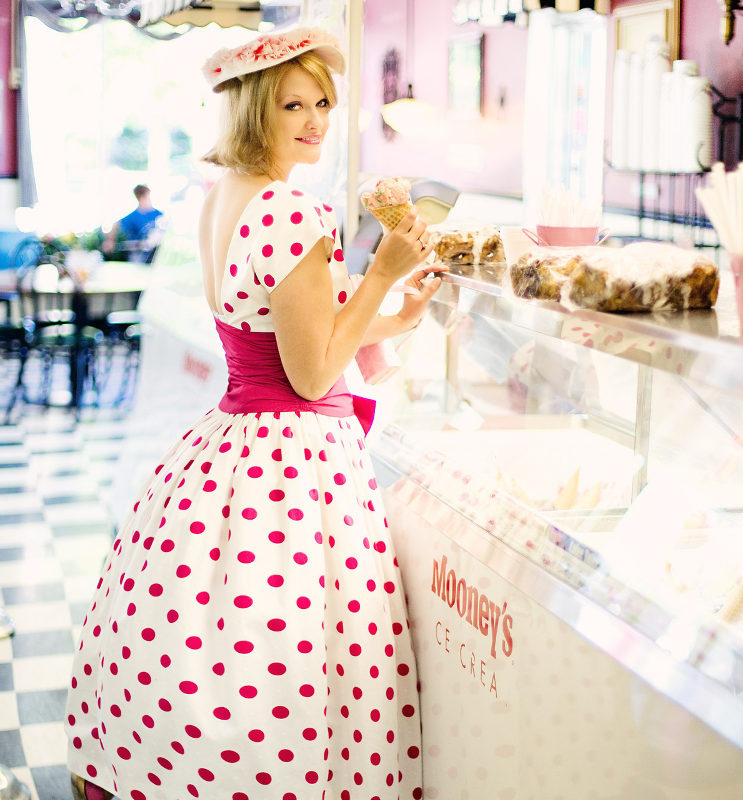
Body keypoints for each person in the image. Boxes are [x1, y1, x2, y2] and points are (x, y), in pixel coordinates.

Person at [65, 25, 441, 800]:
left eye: (323, 104)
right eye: (292, 105)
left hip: (231, 439)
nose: (314, 121)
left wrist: (390, 317)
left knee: (222, 646)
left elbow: (279, 331)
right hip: (293, 459)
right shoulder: (296, 215)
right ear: (252, 113)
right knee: (303, 656)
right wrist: (382, 272)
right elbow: (309, 376)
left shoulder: (223, 199)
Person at [103, 184, 164, 263]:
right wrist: (109, 240)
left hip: (156, 254)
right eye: (148, 197)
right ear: (141, 198)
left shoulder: (158, 214)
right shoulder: (133, 216)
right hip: (138, 256)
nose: (150, 200)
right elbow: (115, 225)